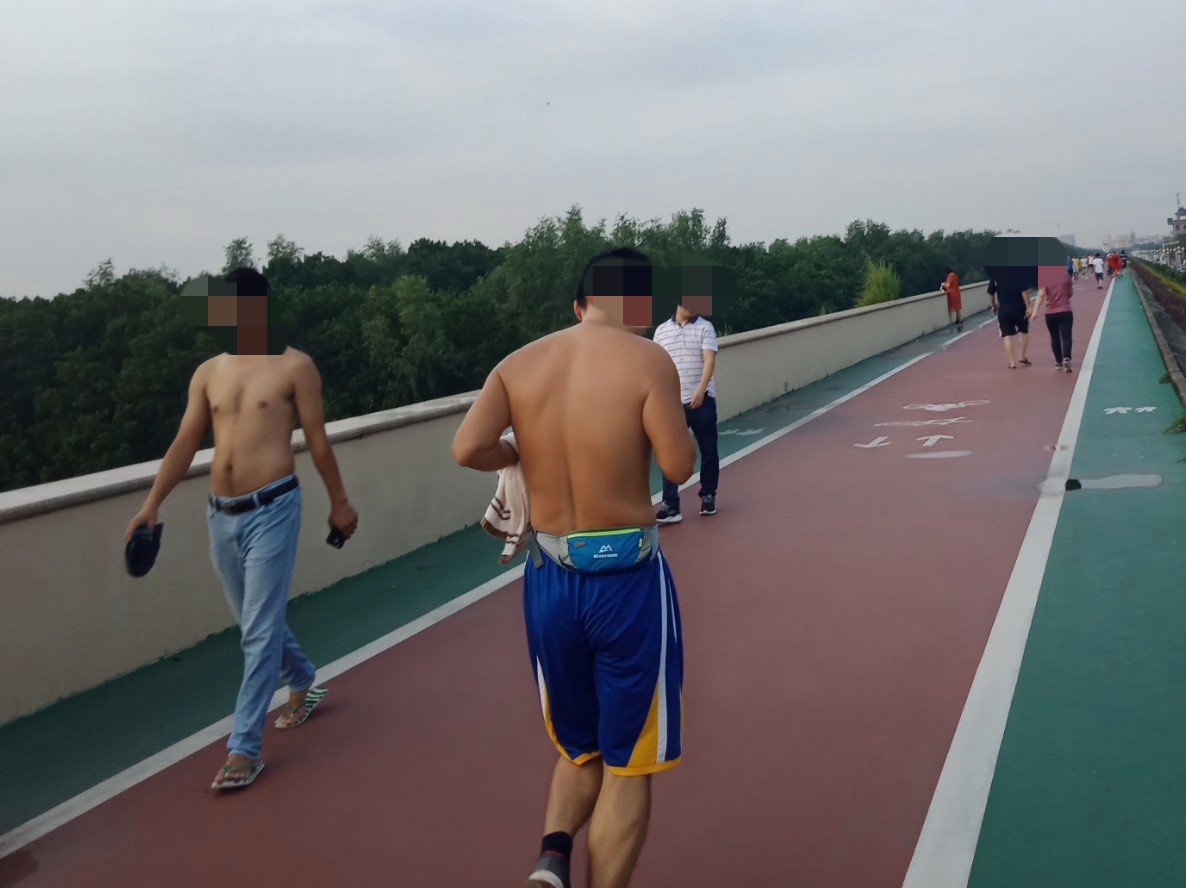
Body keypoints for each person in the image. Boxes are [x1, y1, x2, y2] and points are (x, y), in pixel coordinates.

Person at [452, 247, 697, 888]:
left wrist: (517, 451)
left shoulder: (517, 365)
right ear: (637, 303)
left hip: (549, 579)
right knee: (628, 762)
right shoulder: (647, 359)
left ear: (579, 305)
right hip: (626, 584)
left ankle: (553, 857)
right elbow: (678, 467)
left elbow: (467, 447)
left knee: (579, 745)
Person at [124, 267, 359, 791]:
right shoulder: (209, 372)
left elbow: (317, 440)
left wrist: (340, 503)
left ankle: (243, 749)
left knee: (257, 632)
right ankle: (303, 679)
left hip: (274, 508)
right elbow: (186, 442)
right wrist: (151, 505)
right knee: (256, 624)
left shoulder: (295, 366)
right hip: (221, 514)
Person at [652, 297, 721, 522]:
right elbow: (657, 366)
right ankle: (671, 505)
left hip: (702, 401)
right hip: (672, 404)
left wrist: (701, 390)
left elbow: (709, 361)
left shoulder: (705, 327)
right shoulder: (661, 331)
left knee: (708, 450)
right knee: (670, 452)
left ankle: (708, 496)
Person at [1031, 266, 1075, 372]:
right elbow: (1071, 293)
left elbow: (1041, 294)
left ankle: (1058, 362)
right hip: (1065, 311)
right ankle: (1066, 358)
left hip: (1051, 313)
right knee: (1066, 336)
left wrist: (1035, 311)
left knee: (1054, 337)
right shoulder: (1067, 277)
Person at [987, 271, 1034, 369]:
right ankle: (1022, 356)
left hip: (1004, 311)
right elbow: (1024, 292)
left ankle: (1012, 362)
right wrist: (1029, 306)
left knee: (1007, 335)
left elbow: (991, 293)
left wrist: (994, 305)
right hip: (1020, 309)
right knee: (1024, 331)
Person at [941, 266, 963, 332]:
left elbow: (948, 285)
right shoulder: (955, 275)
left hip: (952, 293)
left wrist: (943, 285)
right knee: (958, 307)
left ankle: (960, 320)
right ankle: (958, 319)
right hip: (957, 292)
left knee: (956, 307)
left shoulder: (950, 277)